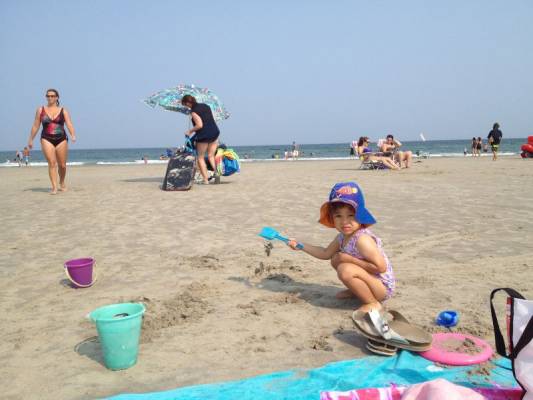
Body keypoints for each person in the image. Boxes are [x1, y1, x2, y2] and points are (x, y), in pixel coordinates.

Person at [286, 182, 395, 312]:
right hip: (370, 280)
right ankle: (357, 290)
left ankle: (372, 302)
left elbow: (380, 268)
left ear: (360, 215)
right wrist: (301, 245)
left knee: (345, 268)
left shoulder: (362, 239)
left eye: (351, 215)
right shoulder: (342, 237)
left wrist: (349, 259)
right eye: (338, 216)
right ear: (332, 218)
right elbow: (325, 253)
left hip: (382, 287)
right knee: (335, 260)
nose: (344, 222)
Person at [27, 89, 76, 194]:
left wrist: (73, 135)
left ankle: (61, 182)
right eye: (48, 96)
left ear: (57, 97)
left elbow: (69, 123)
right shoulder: (40, 110)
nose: (50, 98)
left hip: (61, 139)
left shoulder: (63, 110)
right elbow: (35, 125)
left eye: (52, 96)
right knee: (52, 163)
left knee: (62, 165)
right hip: (46, 138)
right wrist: (31, 139)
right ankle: (54, 187)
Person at [181, 95, 220, 184]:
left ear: (188, 103)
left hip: (204, 135)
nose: (186, 107)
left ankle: (205, 180)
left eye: (185, 104)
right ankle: (216, 173)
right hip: (214, 132)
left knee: (200, 157)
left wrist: (189, 131)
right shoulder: (206, 106)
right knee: (211, 155)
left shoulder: (194, 112)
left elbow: (200, 125)